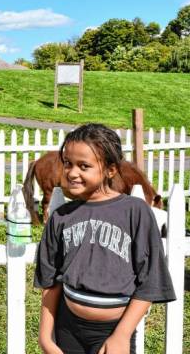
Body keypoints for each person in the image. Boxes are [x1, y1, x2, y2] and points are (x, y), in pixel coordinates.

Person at [34, 123, 176, 354]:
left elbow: (150, 280)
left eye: (84, 166)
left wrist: (121, 335)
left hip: (113, 331)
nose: (72, 172)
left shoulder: (134, 211)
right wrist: (45, 338)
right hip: (67, 329)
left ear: (110, 170)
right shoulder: (61, 217)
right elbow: (51, 280)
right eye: (68, 163)